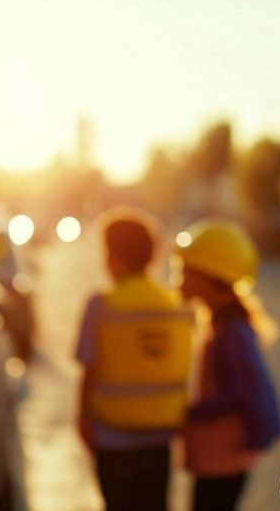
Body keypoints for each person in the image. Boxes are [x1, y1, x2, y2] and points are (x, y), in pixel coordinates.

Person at [75, 208, 194, 511]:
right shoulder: (175, 304)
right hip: (160, 436)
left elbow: (88, 369)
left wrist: (82, 420)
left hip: (112, 436)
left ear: (113, 255)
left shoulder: (101, 305)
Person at [174, 218, 280, 511]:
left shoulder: (231, 331)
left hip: (223, 456)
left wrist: (185, 412)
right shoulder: (220, 322)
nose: (178, 280)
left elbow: (238, 393)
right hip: (218, 456)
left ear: (212, 277)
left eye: (186, 272)